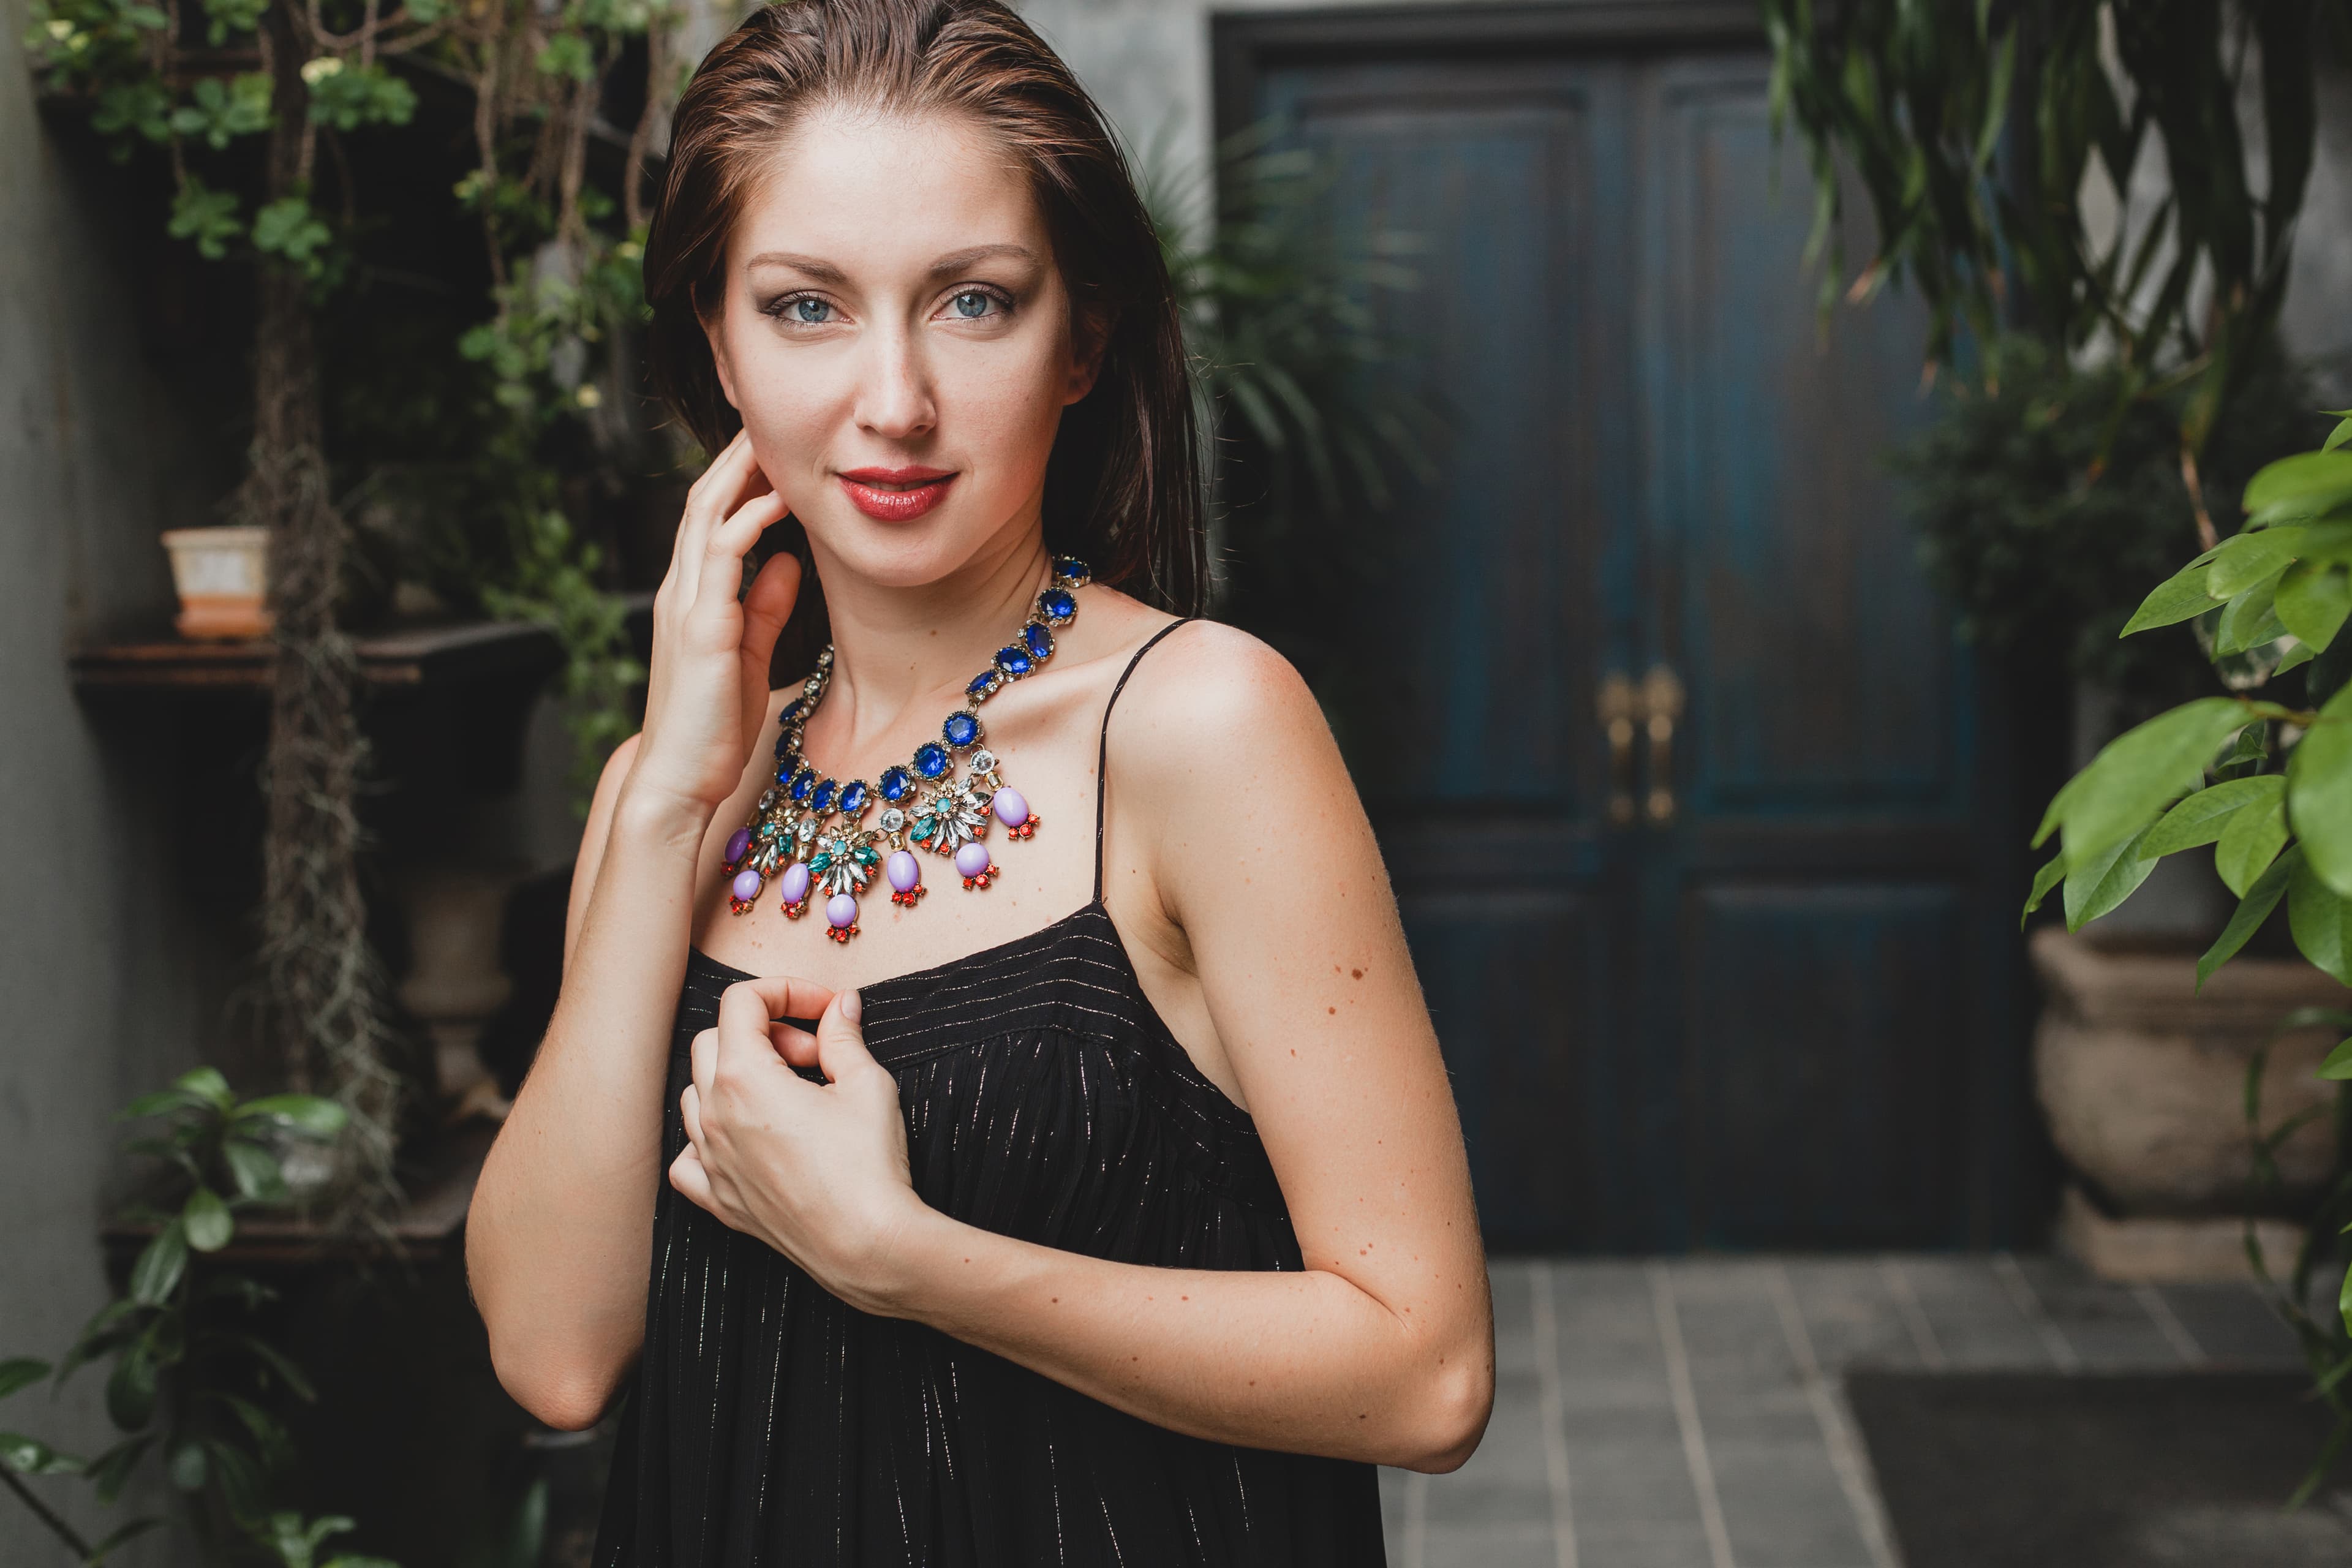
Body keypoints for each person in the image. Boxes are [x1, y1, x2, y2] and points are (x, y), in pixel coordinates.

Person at [463, 1, 1494, 1560]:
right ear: (716, 347)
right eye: (806, 307)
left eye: (973, 302)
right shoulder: (666, 788)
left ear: (1081, 338)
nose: (893, 401)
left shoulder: (1203, 725)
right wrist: (673, 802)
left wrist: (905, 1254)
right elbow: (553, 1350)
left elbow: (1426, 1371)